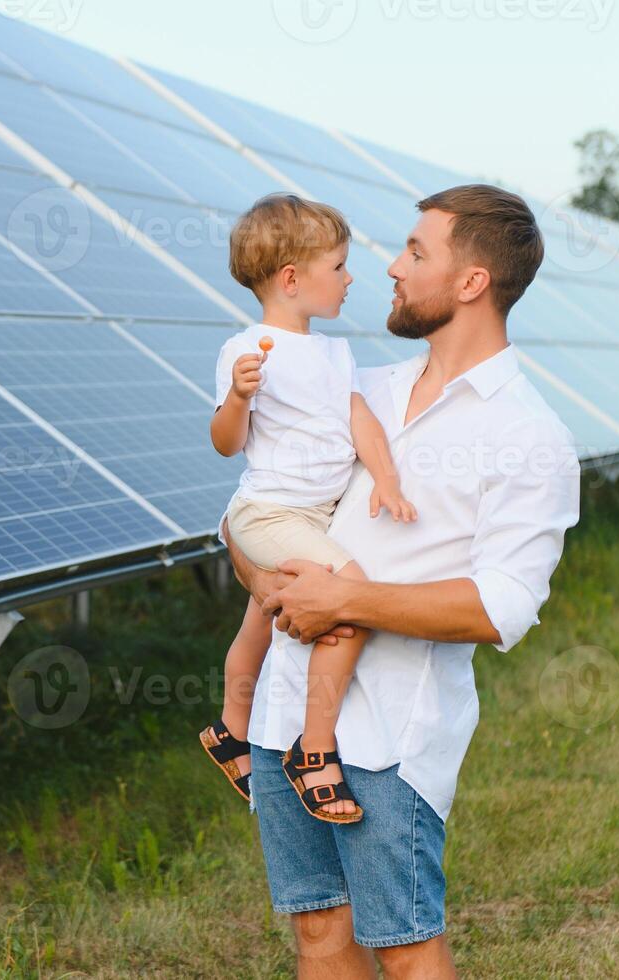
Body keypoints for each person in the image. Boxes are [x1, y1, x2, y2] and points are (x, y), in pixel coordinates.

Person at [228, 185, 581, 976]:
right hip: (284, 715)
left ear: (470, 283)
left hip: (390, 735)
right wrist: (261, 576)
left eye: (416, 252)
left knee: (406, 950)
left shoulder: (528, 436)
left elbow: (502, 608)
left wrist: (343, 600)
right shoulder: (357, 389)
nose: (390, 266)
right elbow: (253, 509)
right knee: (319, 935)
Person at [200, 193, 417, 823]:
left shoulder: (334, 354)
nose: (352, 279)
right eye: (340, 267)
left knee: (258, 626)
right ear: (293, 279)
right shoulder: (249, 350)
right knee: (350, 597)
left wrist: (386, 481)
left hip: (310, 518)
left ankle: (228, 730)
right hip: (268, 514)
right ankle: (314, 748)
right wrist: (238, 398)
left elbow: (360, 421)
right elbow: (225, 444)